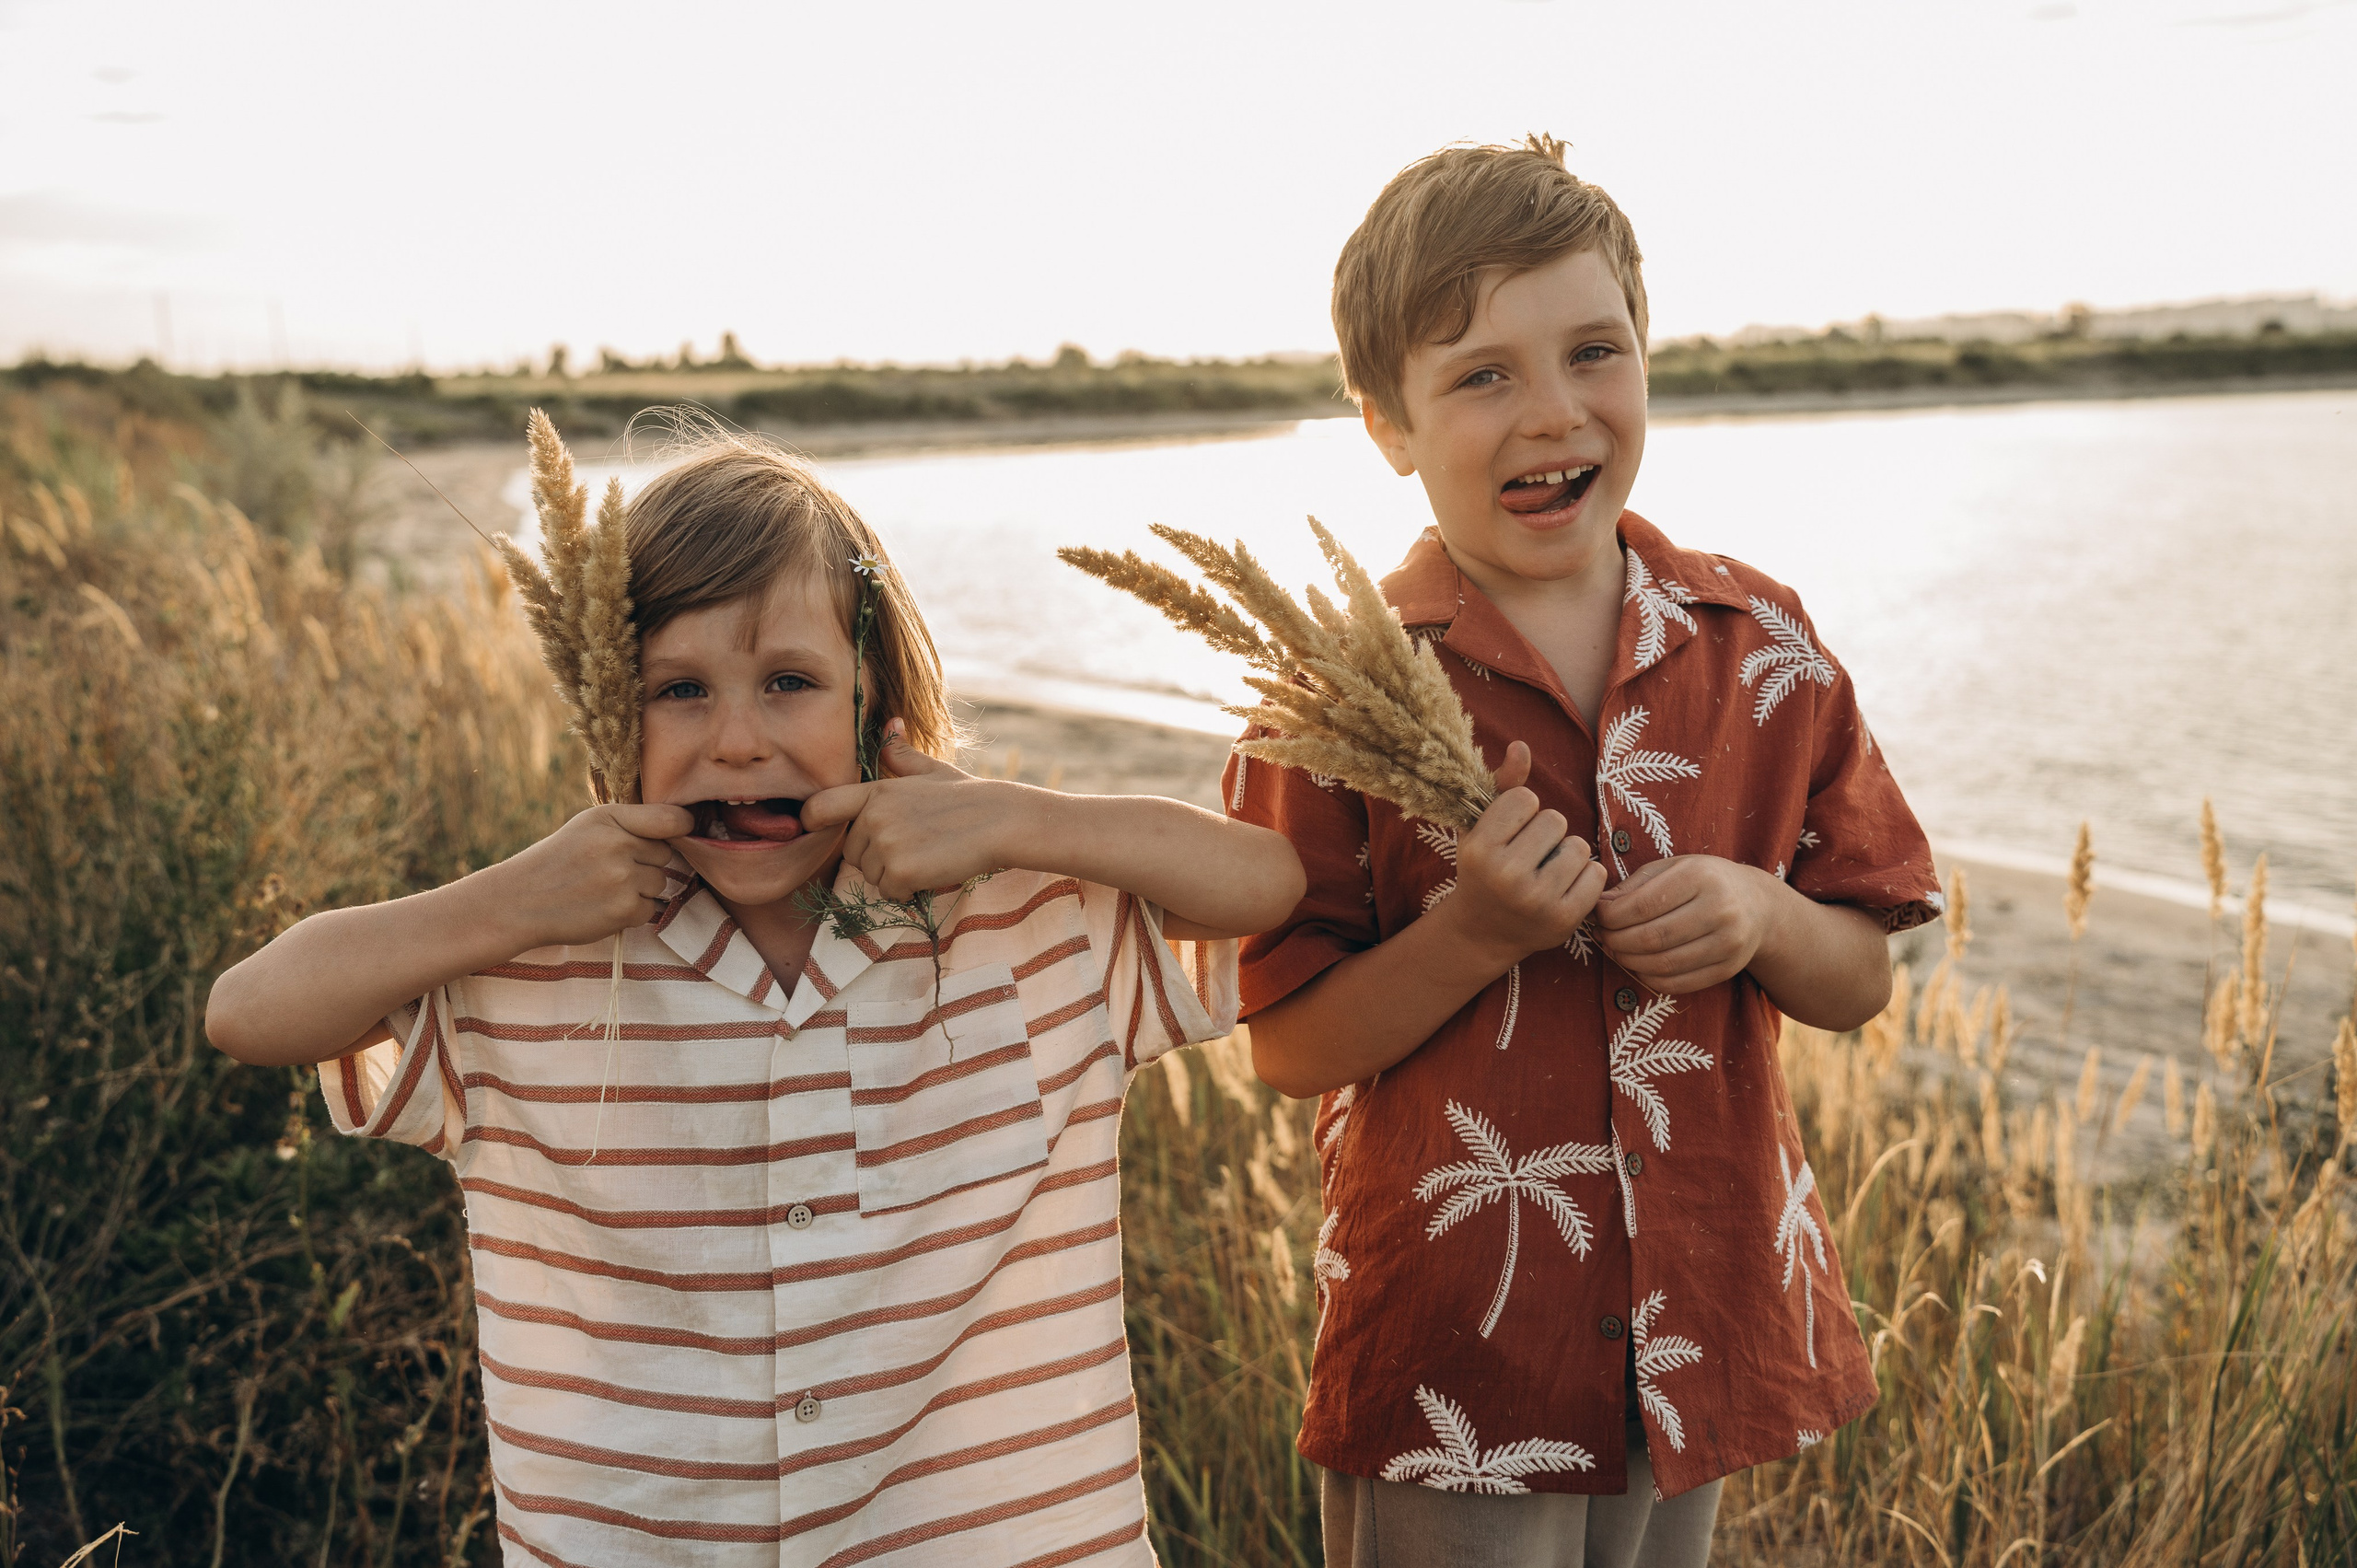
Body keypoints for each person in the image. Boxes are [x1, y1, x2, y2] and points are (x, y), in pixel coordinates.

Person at [205, 436, 1305, 1567]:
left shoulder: (1025, 923)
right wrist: (505, 901)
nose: (735, 738)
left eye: (789, 681)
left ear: (877, 697)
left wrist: (1022, 819)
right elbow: (249, 1011)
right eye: (677, 691)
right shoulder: (525, 966)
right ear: (605, 718)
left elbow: (1263, 883)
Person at [1228, 135, 1943, 1568]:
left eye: (1593, 352)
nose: (1553, 413)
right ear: (1386, 423)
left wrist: (1756, 910)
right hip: (1461, 1347)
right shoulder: (1336, 685)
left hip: (1701, 1309)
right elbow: (1288, 1044)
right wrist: (1472, 933)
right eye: (1482, 373)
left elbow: (1858, 968)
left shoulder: (1766, 645)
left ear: (1648, 357)